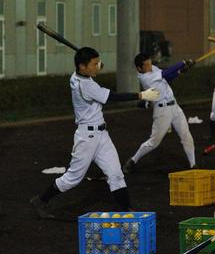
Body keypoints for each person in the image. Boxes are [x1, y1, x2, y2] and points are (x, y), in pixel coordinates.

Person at [30, 47, 160, 219]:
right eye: (93, 64)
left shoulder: (76, 76)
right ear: (82, 66)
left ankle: (127, 211)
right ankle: (40, 200)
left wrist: (93, 63)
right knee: (73, 178)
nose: (97, 66)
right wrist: (142, 95)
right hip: (87, 137)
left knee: (115, 174)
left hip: (101, 135)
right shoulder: (86, 85)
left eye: (97, 63)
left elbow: (92, 70)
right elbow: (113, 97)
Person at [122, 51, 196, 173]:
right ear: (139, 68)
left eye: (150, 63)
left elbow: (167, 77)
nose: (150, 66)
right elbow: (165, 73)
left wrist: (180, 71)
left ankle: (193, 165)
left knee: (186, 135)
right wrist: (183, 63)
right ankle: (133, 160)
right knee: (154, 142)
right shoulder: (145, 78)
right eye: (147, 65)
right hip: (162, 110)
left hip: (174, 106)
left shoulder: (152, 69)